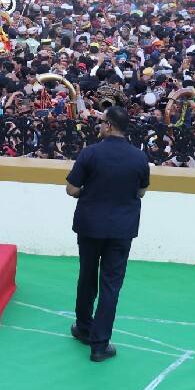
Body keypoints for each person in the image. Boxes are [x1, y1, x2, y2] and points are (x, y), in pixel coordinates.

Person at [66, 106, 150, 363]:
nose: (100, 125)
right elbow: (142, 191)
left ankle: (83, 327)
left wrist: (87, 192)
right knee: (110, 285)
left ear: (110, 126)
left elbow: (71, 189)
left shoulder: (90, 153)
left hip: (90, 226)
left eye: (102, 122)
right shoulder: (139, 158)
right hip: (121, 229)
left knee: (87, 276)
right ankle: (100, 345)